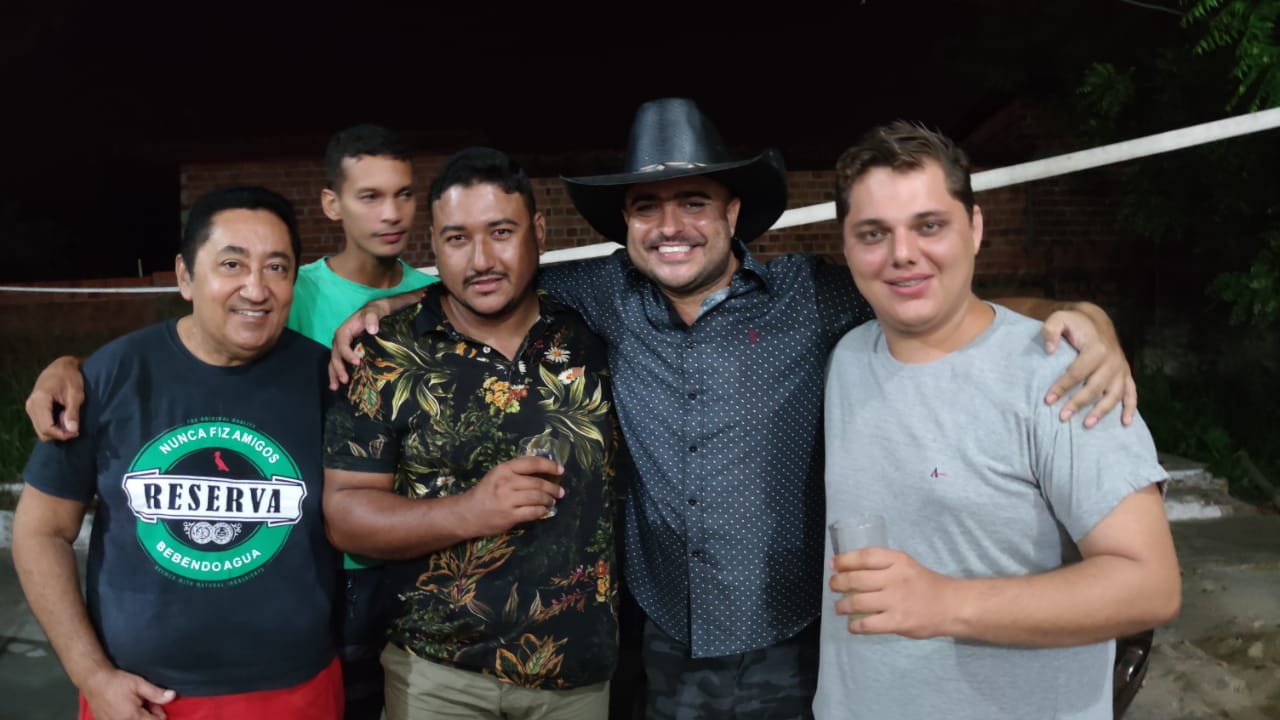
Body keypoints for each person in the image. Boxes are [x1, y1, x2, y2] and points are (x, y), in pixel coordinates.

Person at [325, 98, 1139, 719]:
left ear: (732, 212)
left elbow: (940, 301)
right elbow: (483, 283)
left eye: (693, 202)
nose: (670, 227)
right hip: (664, 643)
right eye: (647, 207)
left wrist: (1078, 317)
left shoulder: (811, 297)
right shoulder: (601, 294)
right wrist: (386, 310)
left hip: (792, 636)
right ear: (626, 225)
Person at [816, 121, 1180, 719]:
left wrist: (945, 603)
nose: (902, 253)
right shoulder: (846, 357)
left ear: (976, 228)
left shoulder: (1063, 372)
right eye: (874, 233)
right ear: (847, 247)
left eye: (929, 226)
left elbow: (1150, 586)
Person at [13, 186, 341, 720]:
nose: (256, 288)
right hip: (141, 698)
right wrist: (91, 675)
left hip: (297, 690)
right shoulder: (111, 374)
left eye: (277, 268)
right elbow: (40, 531)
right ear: (185, 276)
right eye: (232, 264)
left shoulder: (327, 379)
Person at [321, 147, 624, 719]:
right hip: (436, 675)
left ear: (538, 232)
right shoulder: (386, 352)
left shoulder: (595, 334)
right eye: (457, 239)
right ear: (434, 246)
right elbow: (345, 517)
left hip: (577, 674)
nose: (481, 259)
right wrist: (471, 511)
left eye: (501, 232)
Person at [298, 123, 437, 720]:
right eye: (370, 196)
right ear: (333, 204)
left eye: (403, 194)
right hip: (322, 561)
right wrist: (70, 369)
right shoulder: (293, 293)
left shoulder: (438, 293)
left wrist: (398, 302)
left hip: (423, 557)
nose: (392, 213)